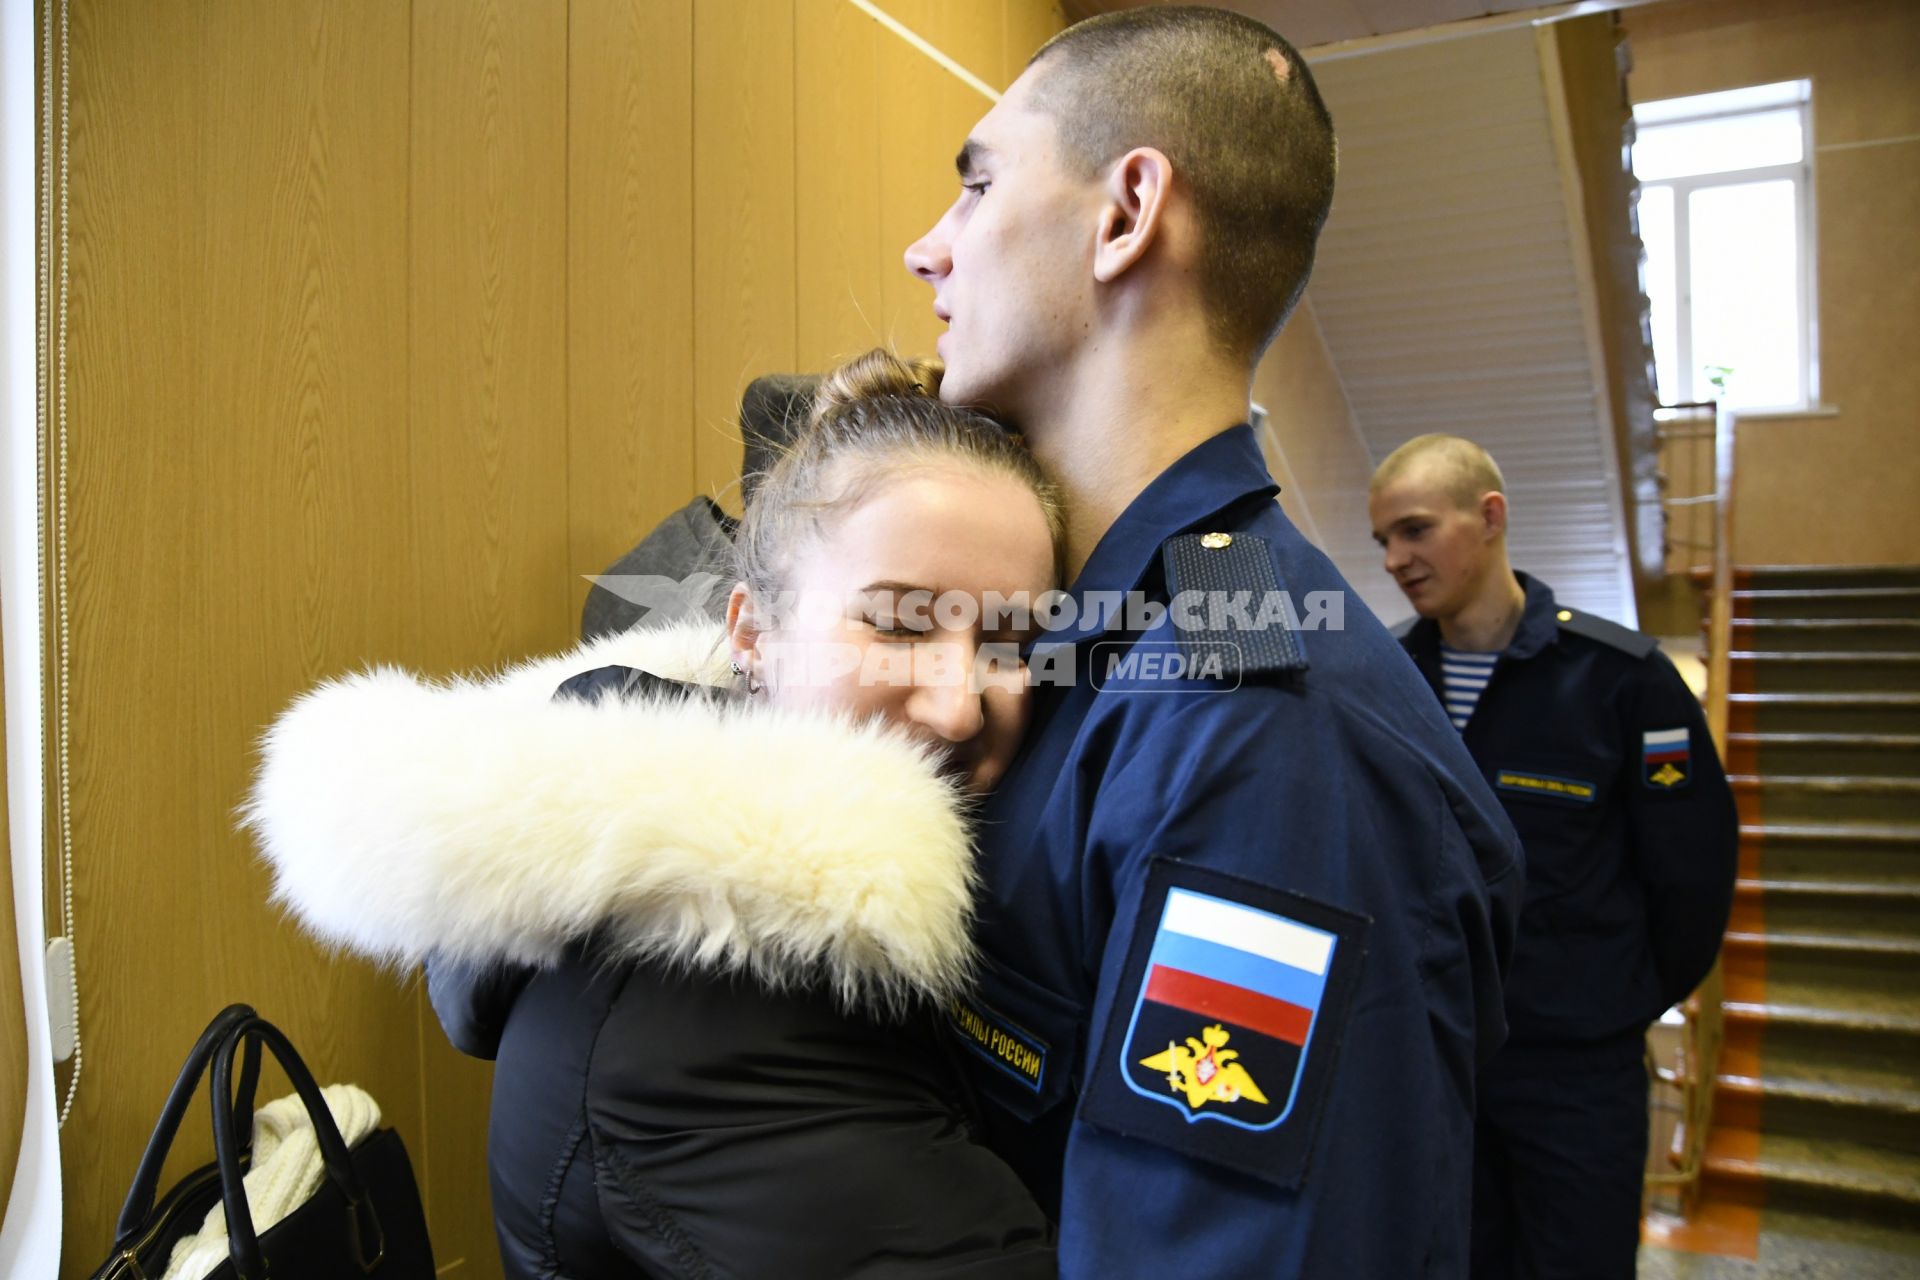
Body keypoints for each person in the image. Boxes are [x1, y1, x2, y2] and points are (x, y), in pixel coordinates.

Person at [901, 8, 1523, 1277]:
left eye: (975, 185)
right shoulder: (1100, 634)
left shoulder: (1266, 733)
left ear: (1127, 211)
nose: (927, 249)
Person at [246, 350, 1061, 1279]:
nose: (961, 705)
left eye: (1009, 641)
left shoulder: (771, 911)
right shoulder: (713, 1018)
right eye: (901, 625)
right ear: (753, 636)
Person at [1367, 433, 1738, 1280]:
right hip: (1440, 1061)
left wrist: (1615, 1003)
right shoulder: (1386, 677)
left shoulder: (1621, 680)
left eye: (1415, 530)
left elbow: (1693, 875)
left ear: (1489, 517)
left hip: (1577, 1068)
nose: (1394, 559)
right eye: (1383, 539)